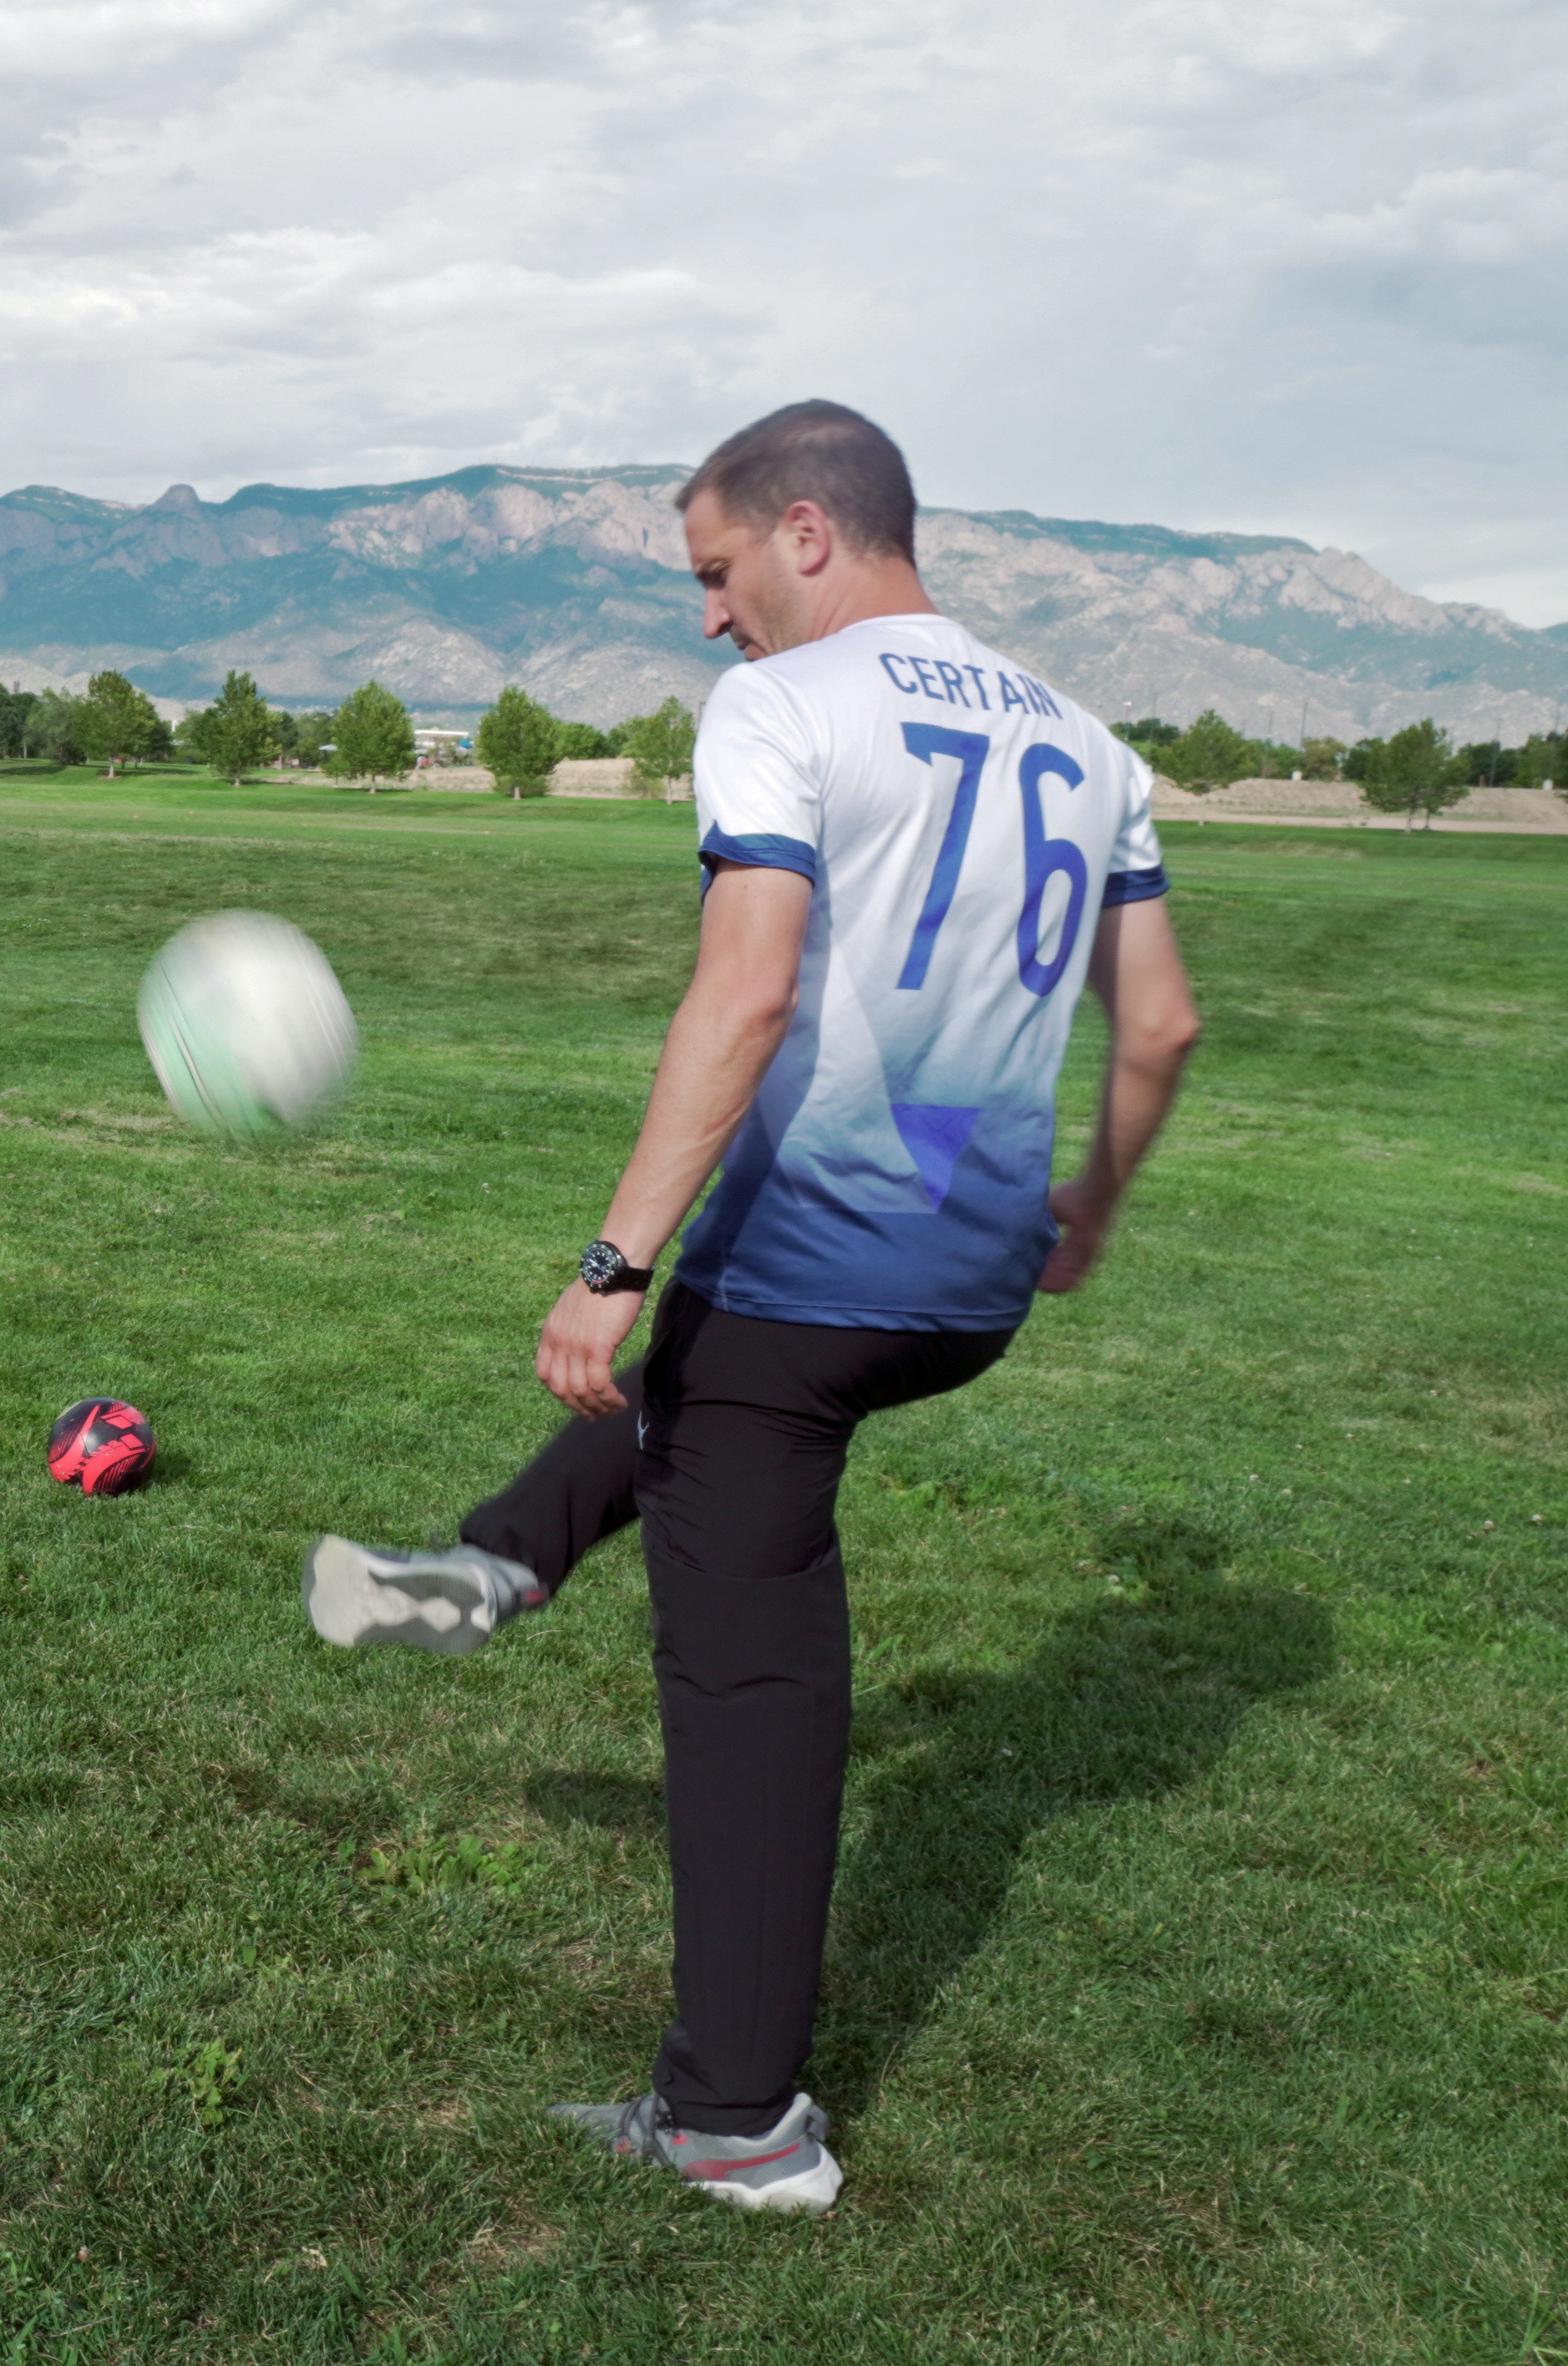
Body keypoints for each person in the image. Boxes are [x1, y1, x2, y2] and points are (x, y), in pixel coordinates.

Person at [302, 402, 1200, 2214]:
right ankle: (490, 1565)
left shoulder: (783, 707)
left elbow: (747, 992)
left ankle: (737, 2122)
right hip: (966, 1282)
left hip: (811, 1278)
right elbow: (1160, 1023)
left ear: (805, 531)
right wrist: (1087, 1206)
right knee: (714, 1401)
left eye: (711, 573)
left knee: (747, 1669)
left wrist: (607, 1261)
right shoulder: (1086, 741)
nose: (705, 618)